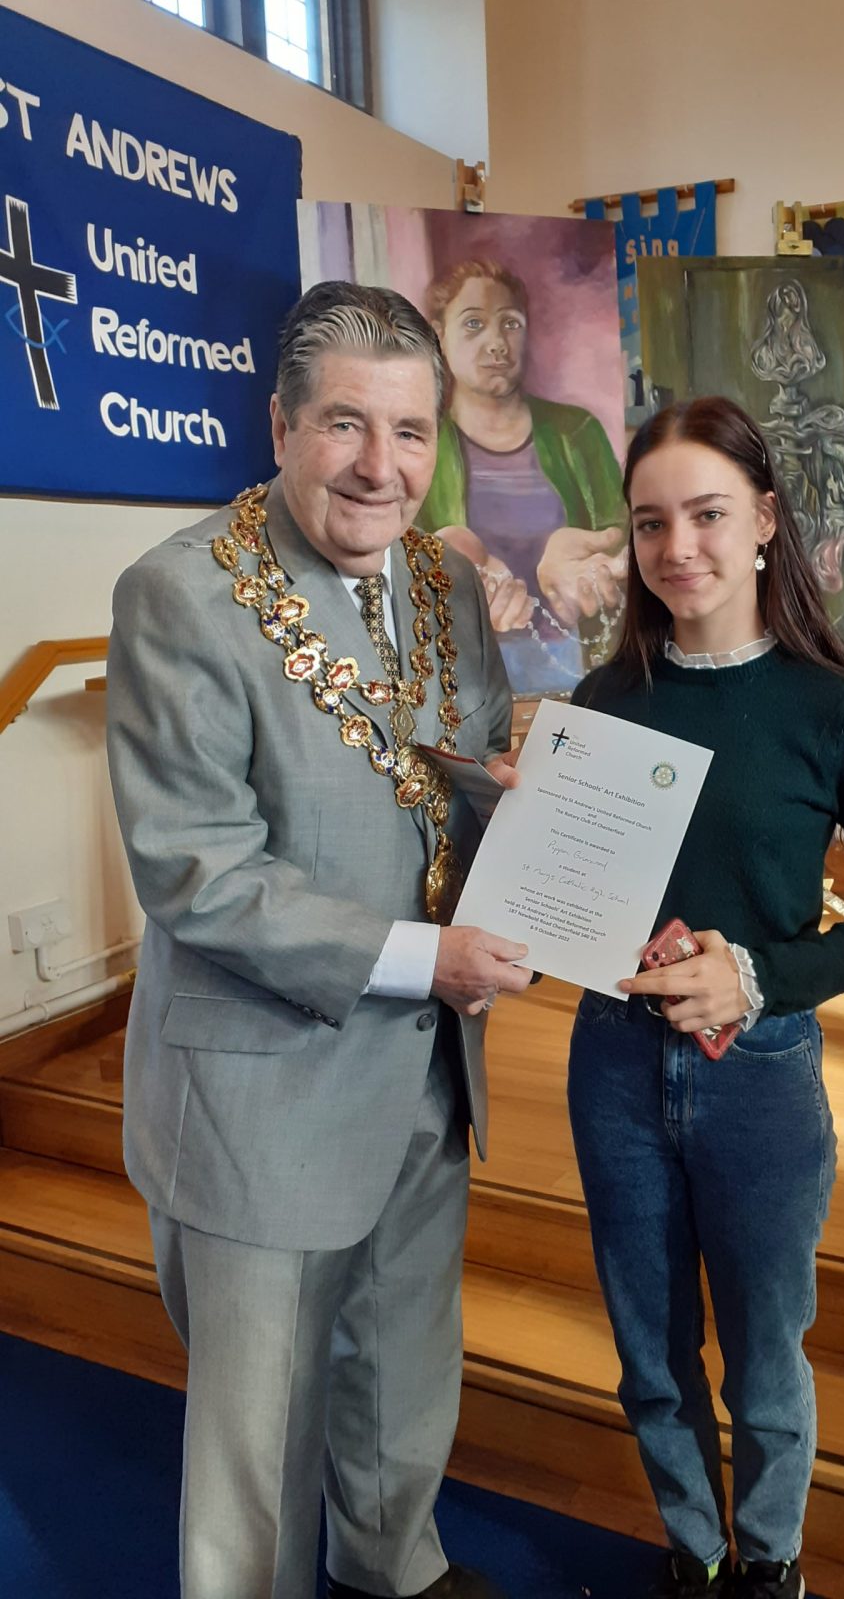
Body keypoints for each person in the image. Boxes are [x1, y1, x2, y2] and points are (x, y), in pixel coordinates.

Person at [105, 281, 533, 1599]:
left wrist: (536, 815)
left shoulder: (445, 584)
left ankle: (394, 1566)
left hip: (427, 1065)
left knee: (404, 1367)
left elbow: (464, 769)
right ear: (281, 423)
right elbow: (199, 872)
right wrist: (425, 958)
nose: (379, 466)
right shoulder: (179, 595)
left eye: (409, 432)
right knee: (263, 1433)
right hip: (265, 1087)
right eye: (345, 424)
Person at [567, 397, 844, 1599]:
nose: (679, 547)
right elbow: (568, 899)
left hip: (762, 1073)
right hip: (614, 1063)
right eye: (651, 522)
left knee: (766, 1357)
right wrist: (531, 838)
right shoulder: (602, 701)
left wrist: (758, 974)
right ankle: (698, 1551)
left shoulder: (842, 712)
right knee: (650, 1351)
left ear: (767, 520)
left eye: (709, 514)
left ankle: (770, 1562)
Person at [421, 257, 627, 691]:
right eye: (473, 324)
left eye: (510, 323)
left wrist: (594, 565)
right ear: (439, 335)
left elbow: (625, 538)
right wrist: (455, 574)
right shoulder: (420, 445)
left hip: (579, 668)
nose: (497, 343)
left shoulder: (578, 432)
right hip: (460, 679)